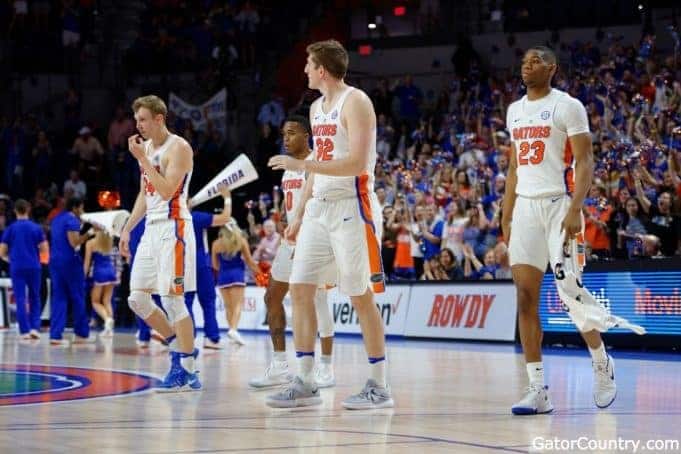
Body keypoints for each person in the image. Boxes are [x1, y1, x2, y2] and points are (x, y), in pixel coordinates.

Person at [267, 39, 393, 409]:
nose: (304, 70)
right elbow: (318, 165)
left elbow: (355, 163)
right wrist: (300, 213)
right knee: (301, 288)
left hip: (353, 207)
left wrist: (303, 165)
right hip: (319, 208)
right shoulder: (318, 108)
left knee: (359, 296)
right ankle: (305, 378)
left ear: (322, 68)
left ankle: (378, 384)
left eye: (308, 64)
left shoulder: (356, 102)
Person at [501, 46, 616, 415]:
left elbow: (585, 161)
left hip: (556, 206)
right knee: (524, 297)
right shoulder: (514, 110)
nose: (527, 66)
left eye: (535, 61)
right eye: (524, 62)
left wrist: (575, 207)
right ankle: (537, 390)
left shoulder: (568, 105)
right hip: (525, 210)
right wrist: (507, 213)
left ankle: (601, 360)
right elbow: (515, 167)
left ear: (552, 67)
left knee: (570, 293)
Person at [119, 95, 200, 392]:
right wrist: (128, 229)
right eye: (136, 119)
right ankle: (181, 348)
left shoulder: (179, 148)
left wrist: (141, 160)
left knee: (172, 300)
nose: (138, 125)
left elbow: (167, 191)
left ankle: (187, 368)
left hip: (174, 227)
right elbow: (146, 193)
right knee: (136, 298)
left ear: (159, 119)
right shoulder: (149, 148)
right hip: (151, 229)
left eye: (142, 119)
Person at [249, 116, 337, 389]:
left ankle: (326, 366)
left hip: (316, 240)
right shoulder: (288, 170)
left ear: (307, 135)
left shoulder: (316, 164)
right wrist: (286, 221)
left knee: (318, 301)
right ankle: (279, 366)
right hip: (291, 240)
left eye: (292, 133)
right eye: (283, 134)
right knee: (271, 296)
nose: (285, 139)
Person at [186, 186, 232, 349]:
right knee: (208, 301)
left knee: (186, 302)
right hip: (200, 263)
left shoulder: (173, 218)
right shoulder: (196, 217)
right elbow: (225, 218)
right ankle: (211, 338)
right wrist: (226, 197)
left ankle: (187, 340)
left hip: (181, 264)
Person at [49, 197, 94, 345]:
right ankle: (81, 333)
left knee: (59, 298)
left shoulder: (56, 219)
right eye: (81, 207)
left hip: (55, 261)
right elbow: (74, 242)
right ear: (75, 207)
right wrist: (89, 234)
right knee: (78, 296)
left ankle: (55, 335)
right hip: (70, 262)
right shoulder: (71, 220)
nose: (82, 211)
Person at [0, 199, 48, 340]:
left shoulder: (10, 229)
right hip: (34, 266)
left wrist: (11, 259)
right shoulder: (36, 228)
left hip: (17, 267)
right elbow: (44, 249)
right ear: (28, 209)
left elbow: (1, 252)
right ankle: (35, 328)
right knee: (35, 297)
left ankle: (24, 331)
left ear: (15, 211)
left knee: (20, 298)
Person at [211, 222, 259, 345]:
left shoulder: (216, 244)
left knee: (228, 306)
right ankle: (233, 330)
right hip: (237, 275)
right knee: (237, 305)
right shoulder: (241, 241)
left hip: (223, 277)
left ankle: (232, 331)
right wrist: (260, 273)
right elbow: (249, 260)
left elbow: (215, 265)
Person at [83, 227, 119, 336]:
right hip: (111, 271)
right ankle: (109, 330)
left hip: (100, 273)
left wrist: (83, 276)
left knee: (95, 302)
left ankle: (107, 319)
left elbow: (87, 263)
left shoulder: (90, 243)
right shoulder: (109, 240)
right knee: (107, 301)